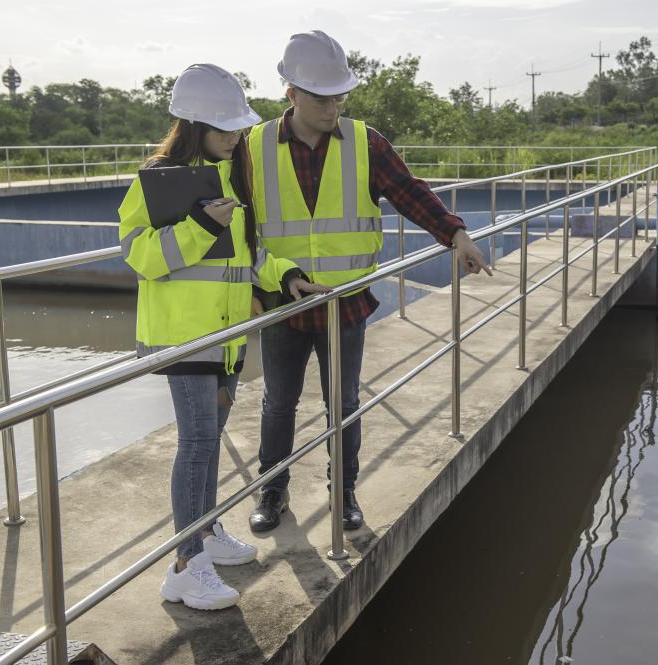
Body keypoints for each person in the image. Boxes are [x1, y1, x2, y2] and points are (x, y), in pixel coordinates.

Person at [245, 30, 491, 534]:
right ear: (290, 92)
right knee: (278, 403)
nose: (334, 105)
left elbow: (408, 192)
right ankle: (272, 492)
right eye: (322, 96)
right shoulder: (253, 146)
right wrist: (263, 281)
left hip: (344, 301)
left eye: (340, 95)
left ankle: (345, 492)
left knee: (345, 403)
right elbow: (242, 230)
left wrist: (456, 234)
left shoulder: (365, 142)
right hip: (284, 301)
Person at [118, 63, 328, 610]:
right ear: (192, 125)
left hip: (227, 337)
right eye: (225, 130)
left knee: (208, 447)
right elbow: (141, 256)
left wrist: (283, 275)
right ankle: (186, 565)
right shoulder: (158, 178)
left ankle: (206, 533)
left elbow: (246, 257)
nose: (236, 139)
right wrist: (201, 226)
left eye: (238, 130)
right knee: (195, 447)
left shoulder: (228, 177)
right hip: (185, 338)